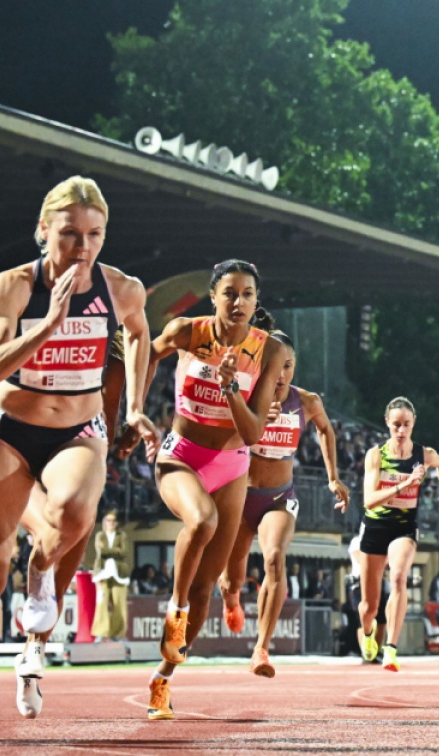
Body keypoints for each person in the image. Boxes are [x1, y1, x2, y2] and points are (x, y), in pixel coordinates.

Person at [0, 177, 158, 744]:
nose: (82, 246)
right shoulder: (15, 286)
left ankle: (41, 572)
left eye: (94, 235)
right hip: (11, 430)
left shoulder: (121, 289)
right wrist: (48, 324)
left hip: (79, 429)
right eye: (69, 234)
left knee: (71, 513)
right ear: (44, 231)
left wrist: (134, 407)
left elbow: (141, 335)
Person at [140, 259, 284, 720]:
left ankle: (162, 680)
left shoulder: (270, 351)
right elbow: (143, 355)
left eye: (247, 294)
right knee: (202, 521)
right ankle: (175, 608)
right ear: (213, 297)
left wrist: (230, 389)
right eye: (230, 293)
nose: (238, 301)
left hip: (232, 466)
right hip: (181, 456)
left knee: (208, 586)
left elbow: (254, 432)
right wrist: (134, 413)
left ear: (256, 302)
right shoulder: (187, 332)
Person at [217, 328, 349, 677]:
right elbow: (219, 437)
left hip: (278, 498)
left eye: (288, 366)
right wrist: (256, 419)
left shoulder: (306, 402)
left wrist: (332, 476)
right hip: (239, 498)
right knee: (232, 580)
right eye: (275, 366)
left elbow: (325, 429)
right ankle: (231, 598)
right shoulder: (244, 395)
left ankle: (261, 648)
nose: (281, 373)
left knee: (275, 558)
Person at [355, 397, 439, 673]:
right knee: (369, 607)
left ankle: (391, 648)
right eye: (396, 425)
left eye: (406, 425)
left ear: (414, 424)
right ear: (387, 423)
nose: (401, 431)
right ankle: (368, 633)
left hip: (404, 527)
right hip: (376, 526)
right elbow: (369, 500)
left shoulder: (423, 454)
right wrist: (407, 483)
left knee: (399, 577)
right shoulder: (376, 455)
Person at [89, 510, 132, 642]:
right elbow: (100, 552)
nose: (111, 523)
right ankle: (101, 633)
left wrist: (109, 551)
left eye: (113, 521)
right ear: (104, 522)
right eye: (108, 520)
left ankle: (117, 633)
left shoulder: (122, 536)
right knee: (102, 603)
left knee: (119, 604)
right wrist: (116, 550)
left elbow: (124, 552)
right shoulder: (100, 535)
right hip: (103, 573)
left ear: (117, 523)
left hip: (119, 574)